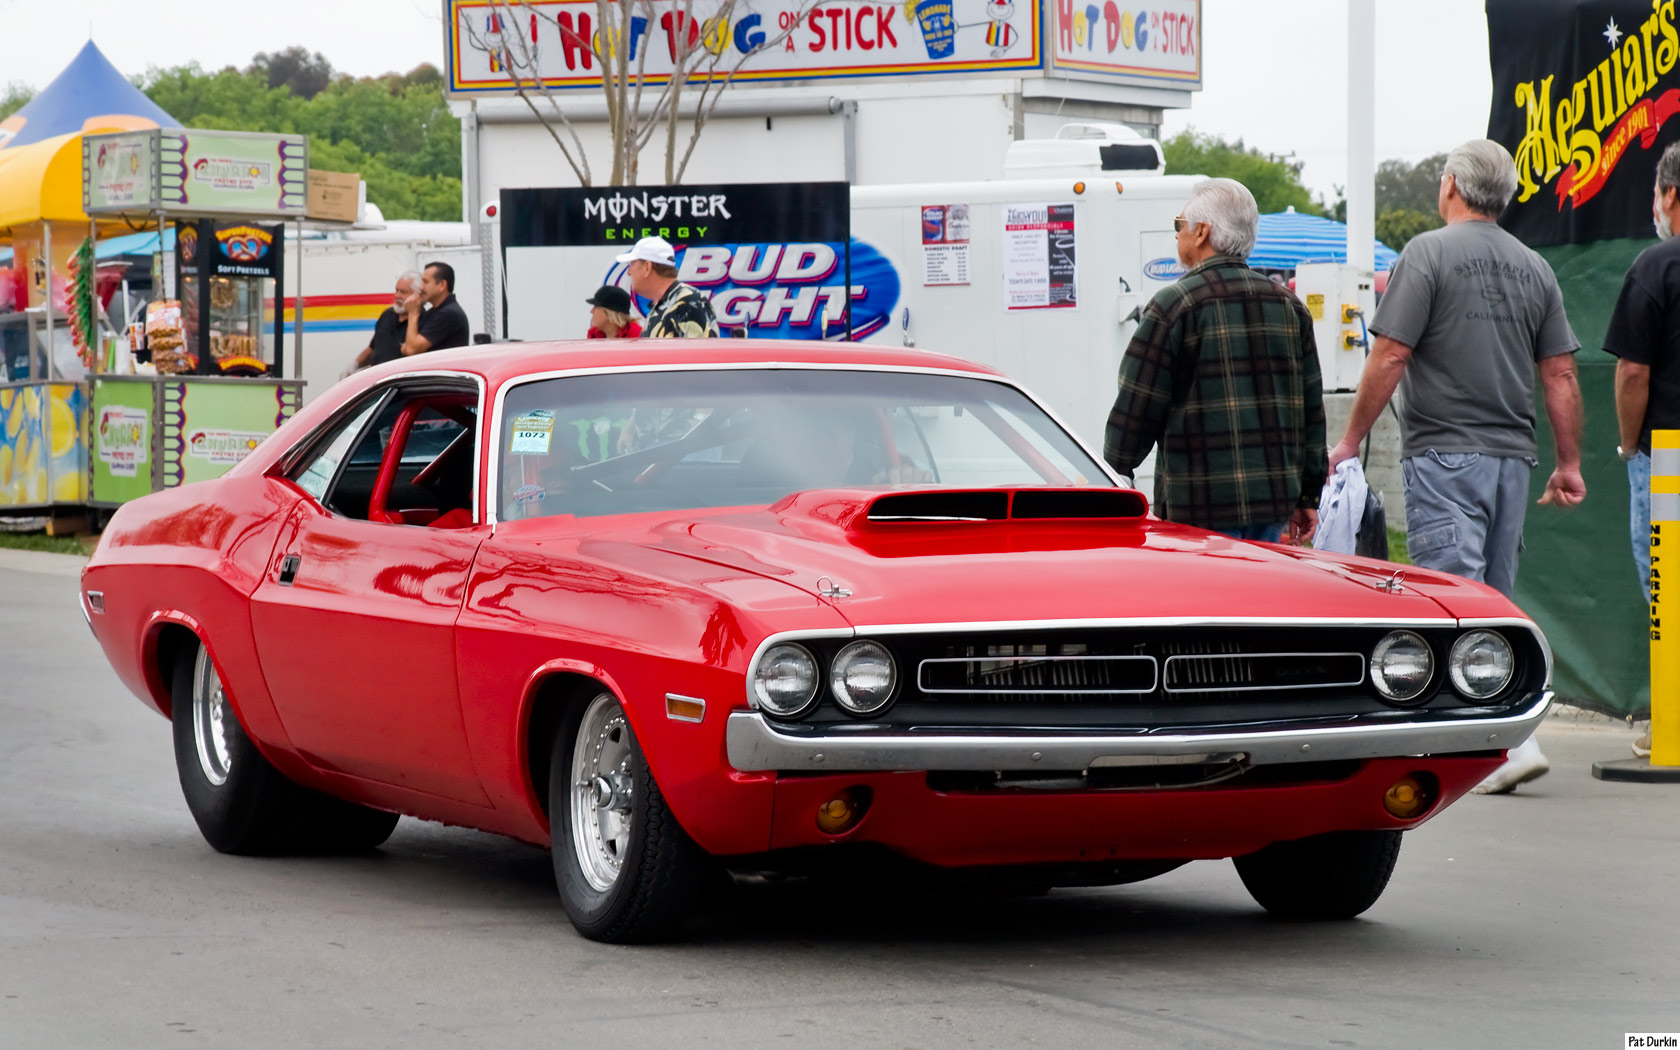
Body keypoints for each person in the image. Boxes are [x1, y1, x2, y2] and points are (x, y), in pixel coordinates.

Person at [1328, 138, 1585, 795]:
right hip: (1512, 459)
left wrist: (1350, 439)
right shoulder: (1535, 267)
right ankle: (1501, 732)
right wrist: (1570, 463)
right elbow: (1558, 372)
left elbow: (1389, 356)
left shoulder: (1428, 253)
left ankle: (1504, 741)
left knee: (1448, 598)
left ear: (1450, 187)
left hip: (1444, 451)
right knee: (1493, 600)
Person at [1104, 177, 1325, 545]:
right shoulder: (1290, 307)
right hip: (1272, 502)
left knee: (1209, 603)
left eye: (1180, 225)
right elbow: (1311, 412)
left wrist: (1114, 475)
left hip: (1197, 505)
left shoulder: (1172, 306)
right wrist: (1307, 495)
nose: (1177, 235)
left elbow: (1136, 408)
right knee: (1260, 600)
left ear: (1202, 232)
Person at [1602, 141, 1680, 760]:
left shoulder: (1656, 267)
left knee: (1668, 587)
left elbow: (1632, 372)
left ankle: (1671, 727)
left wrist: (1631, 446)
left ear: (1671, 196)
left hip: (1669, 454)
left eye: (1656, 192)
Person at [616, 236, 719, 338]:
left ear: (648, 267)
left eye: (632, 265)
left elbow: (705, 352)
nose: (629, 272)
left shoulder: (689, 302)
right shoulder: (660, 306)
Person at [352, 271, 420, 370]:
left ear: (417, 295)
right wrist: (355, 364)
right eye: (396, 290)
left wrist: (413, 313)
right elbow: (373, 348)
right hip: (379, 379)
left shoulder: (422, 319)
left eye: (403, 292)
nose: (397, 296)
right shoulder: (388, 314)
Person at [400, 261, 472, 355]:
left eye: (426, 282)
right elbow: (404, 348)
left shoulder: (448, 314)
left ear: (442, 285)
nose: (421, 288)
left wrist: (413, 313)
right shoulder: (433, 313)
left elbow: (411, 350)